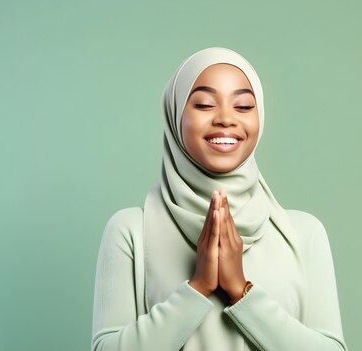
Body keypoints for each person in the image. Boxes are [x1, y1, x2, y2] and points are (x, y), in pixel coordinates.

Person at [91, 47, 348, 351]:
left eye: (242, 106)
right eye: (204, 104)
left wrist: (241, 291)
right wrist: (198, 288)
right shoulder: (131, 230)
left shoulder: (304, 233)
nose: (226, 119)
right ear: (175, 115)